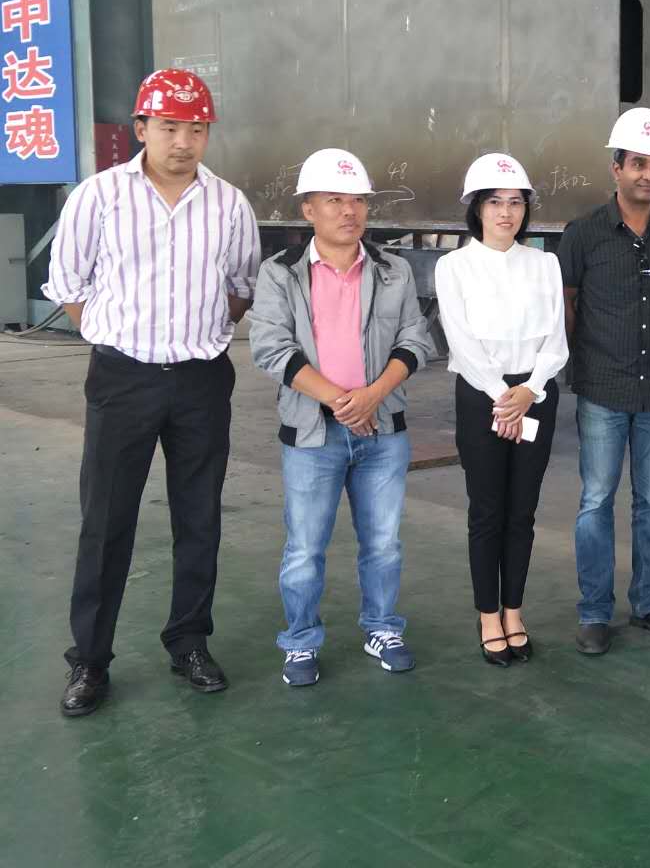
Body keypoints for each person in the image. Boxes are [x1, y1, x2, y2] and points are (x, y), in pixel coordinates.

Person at [43, 69, 260, 717]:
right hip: (123, 379)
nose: (183, 142)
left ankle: (188, 642)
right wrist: (118, 339)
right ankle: (90, 659)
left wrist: (198, 334)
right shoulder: (99, 196)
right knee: (106, 520)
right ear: (141, 128)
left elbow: (241, 286)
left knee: (199, 517)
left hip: (200, 380)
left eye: (196, 129)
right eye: (169, 127)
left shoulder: (229, 204)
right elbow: (70, 284)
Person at [249, 149, 435, 686]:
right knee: (305, 547)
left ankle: (382, 627)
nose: (349, 211)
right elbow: (270, 349)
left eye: (357, 200)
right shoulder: (280, 273)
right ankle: (301, 641)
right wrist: (340, 400)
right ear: (308, 209)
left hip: (383, 429)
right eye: (334, 200)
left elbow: (416, 340)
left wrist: (373, 396)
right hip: (312, 434)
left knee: (383, 542)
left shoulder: (392, 270)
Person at [558, 107, 650, 655]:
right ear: (616, 168)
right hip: (602, 388)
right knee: (596, 501)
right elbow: (569, 306)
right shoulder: (583, 234)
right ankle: (595, 612)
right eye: (638, 163)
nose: (649, 174)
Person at [435, 153, 568, 668]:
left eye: (515, 202)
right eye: (495, 202)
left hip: (535, 395)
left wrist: (529, 390)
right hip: (480, 396)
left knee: (522, 511)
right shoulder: (454, 267)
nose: (506, 212)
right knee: (487, 511)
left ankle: (514, 609)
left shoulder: (544, 264)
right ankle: (488, 615)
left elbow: (556, 339)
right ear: (476, 208)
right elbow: (461, 341)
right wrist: (502, 397)